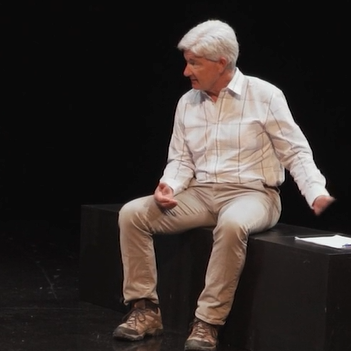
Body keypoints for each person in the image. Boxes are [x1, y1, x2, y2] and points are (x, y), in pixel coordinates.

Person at [112, 19, 335, 351]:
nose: (186, 71)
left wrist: (315, 191)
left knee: (231, 224)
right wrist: (169, 185)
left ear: (221, 63)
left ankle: (207, 322)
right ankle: (145, 310)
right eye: (186, 62)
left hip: (254, 194)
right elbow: (181, 158)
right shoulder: (188, 102)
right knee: (133, 214)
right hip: (201, 194)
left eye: (194, 63)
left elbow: (295, 151)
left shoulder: (265, 96)